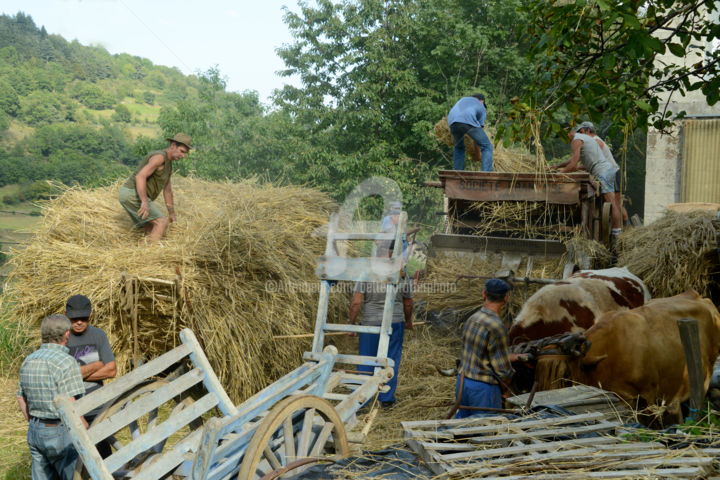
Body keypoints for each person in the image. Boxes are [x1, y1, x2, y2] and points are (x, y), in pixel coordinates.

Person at [17, 314, 86, 480]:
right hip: (60, 431)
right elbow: (70, 403)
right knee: (73, 476)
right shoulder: (67, 362)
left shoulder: (29, 360)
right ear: (67, 335)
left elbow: (20, 397)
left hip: (35, 429)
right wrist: (84, 429)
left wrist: (35, 423)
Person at [349, 240, 413, 408]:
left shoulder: (367, 271)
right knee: (390, 360)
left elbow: (356, 302)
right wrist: (408, 321)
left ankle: (361, 402)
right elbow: (408, 303)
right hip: (395, 323)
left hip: (370, 323)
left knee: (366, 360)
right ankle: (386, 400)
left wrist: (352, 323)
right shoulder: (402, 273)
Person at [456, 279, 525, 417]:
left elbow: (477, 353)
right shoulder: (497, 327)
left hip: (463, 382)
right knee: (486, 432)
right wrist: (505, 389)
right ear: (506, 297)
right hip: (483, 389)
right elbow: (503, 371)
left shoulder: (472, 319)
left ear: (483, 294)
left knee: (461, 429)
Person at [65, 294, 116, 458]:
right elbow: (58, 376)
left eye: (83, 318)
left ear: (90, 314)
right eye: (74, 319)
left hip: (97, 406)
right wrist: (95, 366)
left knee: (104, 452)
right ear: (66, 315)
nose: (79, 322)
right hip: (71, 406)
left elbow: (111, 370)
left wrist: (74, 376)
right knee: (74, 456)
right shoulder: (62, 338)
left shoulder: (98, 335)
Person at [552, 123, 622, 241]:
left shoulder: (576, 140)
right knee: (612, 202)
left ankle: (617, 234)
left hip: (603, 172)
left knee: (611, 202)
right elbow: (573, 160)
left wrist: (559, 175)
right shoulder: (583, 139)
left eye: (562, 136)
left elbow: (573, 165)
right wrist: (556, 166)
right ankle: (617, 231)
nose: (563, 140)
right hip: (605, 171)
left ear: (567, 132)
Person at [118, 133, 191, 242]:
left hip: (130, 194)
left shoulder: (169, 165)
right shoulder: (160, 157)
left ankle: (141, 253)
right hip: (131, 193)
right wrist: (144, 202)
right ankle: (151, 255)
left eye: (185, 153)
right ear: (172, 145)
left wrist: (172, 214)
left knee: (152, 229)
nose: (183, 156)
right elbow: (140, 176)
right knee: (161, 222)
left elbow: (167, 191)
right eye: (182, 151)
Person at [575, 121, 631, 227]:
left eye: (581, 133)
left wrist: (574, 168)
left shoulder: (596, 142)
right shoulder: (595, 141)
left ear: (586, 131)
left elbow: (594, 161)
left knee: (614, 203)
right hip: (613, 172)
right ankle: (626, 225)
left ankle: (622, 228)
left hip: (611, 173)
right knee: (617, 203)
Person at [447, 93, 493, 171]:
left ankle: (457, 173)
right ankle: (487, 173)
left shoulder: (463, 99)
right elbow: (478, 139)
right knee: (487, 146)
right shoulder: (481, 106)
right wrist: (478, 156)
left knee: (459, 147)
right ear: (482, 101)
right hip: (467, 121)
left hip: (452, 122)